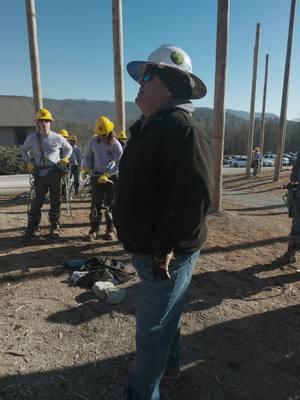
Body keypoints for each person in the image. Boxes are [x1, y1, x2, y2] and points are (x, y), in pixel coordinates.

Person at [113, 44, 213, 400]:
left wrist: (161, 248)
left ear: (169, 85)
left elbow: (195, 200)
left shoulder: (182, 130)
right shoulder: (151, 126)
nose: (139, 82)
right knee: (167, 313)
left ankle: (142, 391)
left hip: (165, 255)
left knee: (152, 329)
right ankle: (169, 364)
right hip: (151, 249)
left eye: (147, 76)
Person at [22, 108, 72, 239]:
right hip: (40, 175)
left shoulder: (58, 137)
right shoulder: (32, 138)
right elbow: (24, 150)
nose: (44, 123)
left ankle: (55, 226)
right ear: (37, 123)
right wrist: (28, 162)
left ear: (50, 122)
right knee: (37, 201)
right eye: (41, 121)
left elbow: (69, 148)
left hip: (55, 173)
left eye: (46, 121)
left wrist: (65, 158)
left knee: (55, 201)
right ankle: (32, 227)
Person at [83, 115, 123, 241]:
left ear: (110, 132)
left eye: (104, 134)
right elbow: (88, 156)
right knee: (96, 204)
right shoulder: (93, 142)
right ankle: (94, 229)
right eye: (100, 134)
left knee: (110, 205)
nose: (102, 137)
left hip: (111, 178)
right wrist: (86, 167)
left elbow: (119, 163)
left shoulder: (116, 145)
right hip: (96, 176)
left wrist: (108, 174)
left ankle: (110, 229)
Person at [285, 152, 300, 267]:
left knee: (296, 226)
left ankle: (291, 253)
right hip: (296, 195)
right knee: (296, 226)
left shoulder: (297, 161)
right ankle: (291, 254)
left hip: (296, 195)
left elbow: (293, 179)